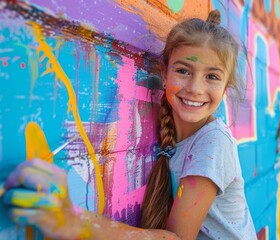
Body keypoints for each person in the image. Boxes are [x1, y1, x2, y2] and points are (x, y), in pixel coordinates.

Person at [2, 10, 256, 240]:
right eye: (183, 71)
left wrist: (74, 222)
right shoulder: (176, 137)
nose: (195, 88)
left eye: (212, 76)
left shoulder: (213, 143)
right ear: (165, 75)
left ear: (226, 89)